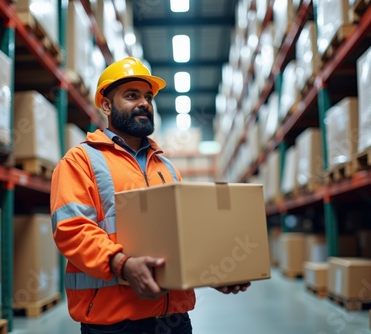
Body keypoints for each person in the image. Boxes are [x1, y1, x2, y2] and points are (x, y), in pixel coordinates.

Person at [50, 57, 250, 334]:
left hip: (174, 319)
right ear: (107, 105)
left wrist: (213, 270)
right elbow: (71, 229)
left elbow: (185, 234)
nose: (144, 103)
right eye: (131, 96)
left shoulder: (166, 168)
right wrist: (122, 264)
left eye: (148, 97)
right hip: (115, 322)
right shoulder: (81, 160)